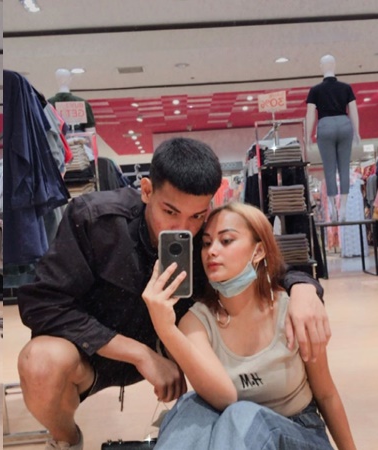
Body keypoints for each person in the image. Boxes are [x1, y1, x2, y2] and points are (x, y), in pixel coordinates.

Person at [16, 137, 330, 450]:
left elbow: (268, 265)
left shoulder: (207, 235)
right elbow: (42, 304)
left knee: (200, 416)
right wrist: (140, 354)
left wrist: (304, 288)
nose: (183, 227)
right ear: (146, 190)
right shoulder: (95, 219)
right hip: (95, 353)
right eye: (170, 211)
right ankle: (68, 439)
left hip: (177, 349)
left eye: (197, 216)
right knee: (39, 362)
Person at [142, 202, 355, 449]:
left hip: (298, 432)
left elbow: (326, 394)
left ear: (258, 251)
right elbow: (224, 396)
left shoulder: (293, 311)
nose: (212, 251)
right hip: (234, 437)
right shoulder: (195, 322)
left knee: (241, 414)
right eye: (207, 243)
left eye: (226, 241)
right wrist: (166, 329)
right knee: (191, 407)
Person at [305, 54, 360, 222]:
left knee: (329, 168)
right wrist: (357, 131)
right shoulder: (346, 88)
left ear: (321, 67)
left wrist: (307, 135)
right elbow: (353, 110)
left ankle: (332, 208)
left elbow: (310, 114)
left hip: (325, 125)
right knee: (344, 167)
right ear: (334, 66)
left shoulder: (315, 90)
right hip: (344, 124)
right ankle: (343, 208)